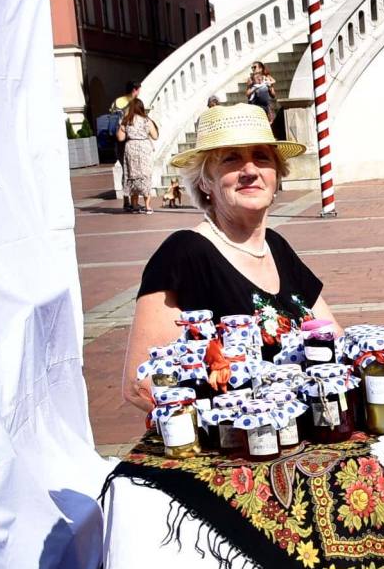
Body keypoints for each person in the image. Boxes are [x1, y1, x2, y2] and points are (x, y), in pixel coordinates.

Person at [121, 104, 337, 411]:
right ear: (205, 182)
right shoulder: (184, 253)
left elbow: (334, 337)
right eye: (231, 159)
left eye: (262, 157)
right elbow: (142, 384)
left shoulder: (276, 247)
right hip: (239, 446)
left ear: (276, 176)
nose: (250, 171)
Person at [116, 97, 160, 214]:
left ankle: (134, 205)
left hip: (131, 148)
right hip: (144, 148)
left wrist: (121, 126)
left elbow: (120, 138)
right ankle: (147, 206)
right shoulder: (147, 120)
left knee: (132, 175)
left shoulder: (127, 120)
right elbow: (155, 136)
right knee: (145, 175)